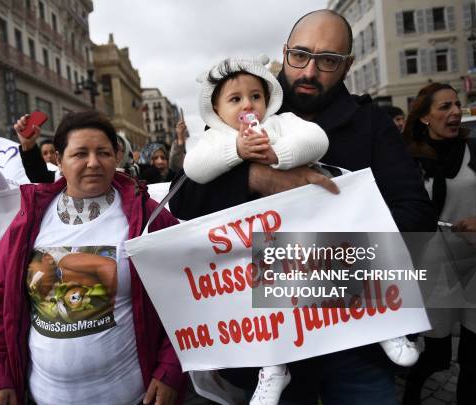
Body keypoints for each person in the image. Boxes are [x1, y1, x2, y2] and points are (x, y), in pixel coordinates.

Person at [170, 9, 437, 405]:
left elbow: (415, 210)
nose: (310, 71)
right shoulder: (242, 104)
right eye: (300, 55)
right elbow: (185, 195)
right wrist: (260, 178)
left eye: (328, 61)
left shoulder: (371, 123)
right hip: (269, 337)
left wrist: (336, 252)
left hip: (356, 338)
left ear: (346, 66)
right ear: (285, 51)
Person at [0, 111, 185, 405]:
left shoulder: (148, 216)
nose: (93, 162)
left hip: (133, 395)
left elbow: (187, 293)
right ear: (59, 160)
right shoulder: (30, 219)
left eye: (104, 152)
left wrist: (170, 371)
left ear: (117, 157)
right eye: (80, 154)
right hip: (42, 397)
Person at [401, 83, 476, 405]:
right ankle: (410, 395)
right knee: (437, 354)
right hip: (435, 265)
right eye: (444, 106)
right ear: (425, 117)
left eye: (457, 104)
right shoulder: (409, 160)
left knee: (475, 355)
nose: (456, 112)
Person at [184, 55, 328, 185]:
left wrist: (277, 153)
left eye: (256, 96)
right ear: (216, 109)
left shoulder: (280, 122)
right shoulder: (213, 137)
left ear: (266, 98)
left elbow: (319, 139)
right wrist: (236, 150)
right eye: (235, 99)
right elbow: (192, 168)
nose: (248, 105)